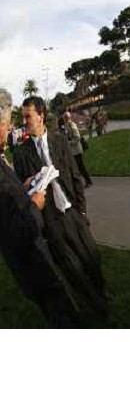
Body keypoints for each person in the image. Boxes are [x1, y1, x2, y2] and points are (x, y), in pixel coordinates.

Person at [12, 96, 108, 322]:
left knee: (90, 256)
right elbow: (23, 192)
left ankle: (102, 290)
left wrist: (82, 212)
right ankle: (93, 303)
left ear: (41, 115)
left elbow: (75, 177)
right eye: (23, 116)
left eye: (28, 116)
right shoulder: (21, 154)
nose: (25, 121)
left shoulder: (59, 142)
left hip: (72, 212)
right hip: (50, 219)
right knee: (70, 265)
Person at [0, 88, 80, 328]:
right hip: (31, 261)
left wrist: (23, 189)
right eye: (5, 123)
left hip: (35, 253)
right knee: (63, 316)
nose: (8, 129)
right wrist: (34, 204)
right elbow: (15, 229)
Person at [63, 111, 93, 188]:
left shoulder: (72, 125)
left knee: (80, 167)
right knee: (74, 167)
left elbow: (77, 137)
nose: (64, 119)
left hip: (76, 150)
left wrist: (69, 143)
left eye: (64, 117)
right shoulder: (66, 126)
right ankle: (77, 183)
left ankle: (88, 181)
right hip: (72, 151)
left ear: (67, 118)